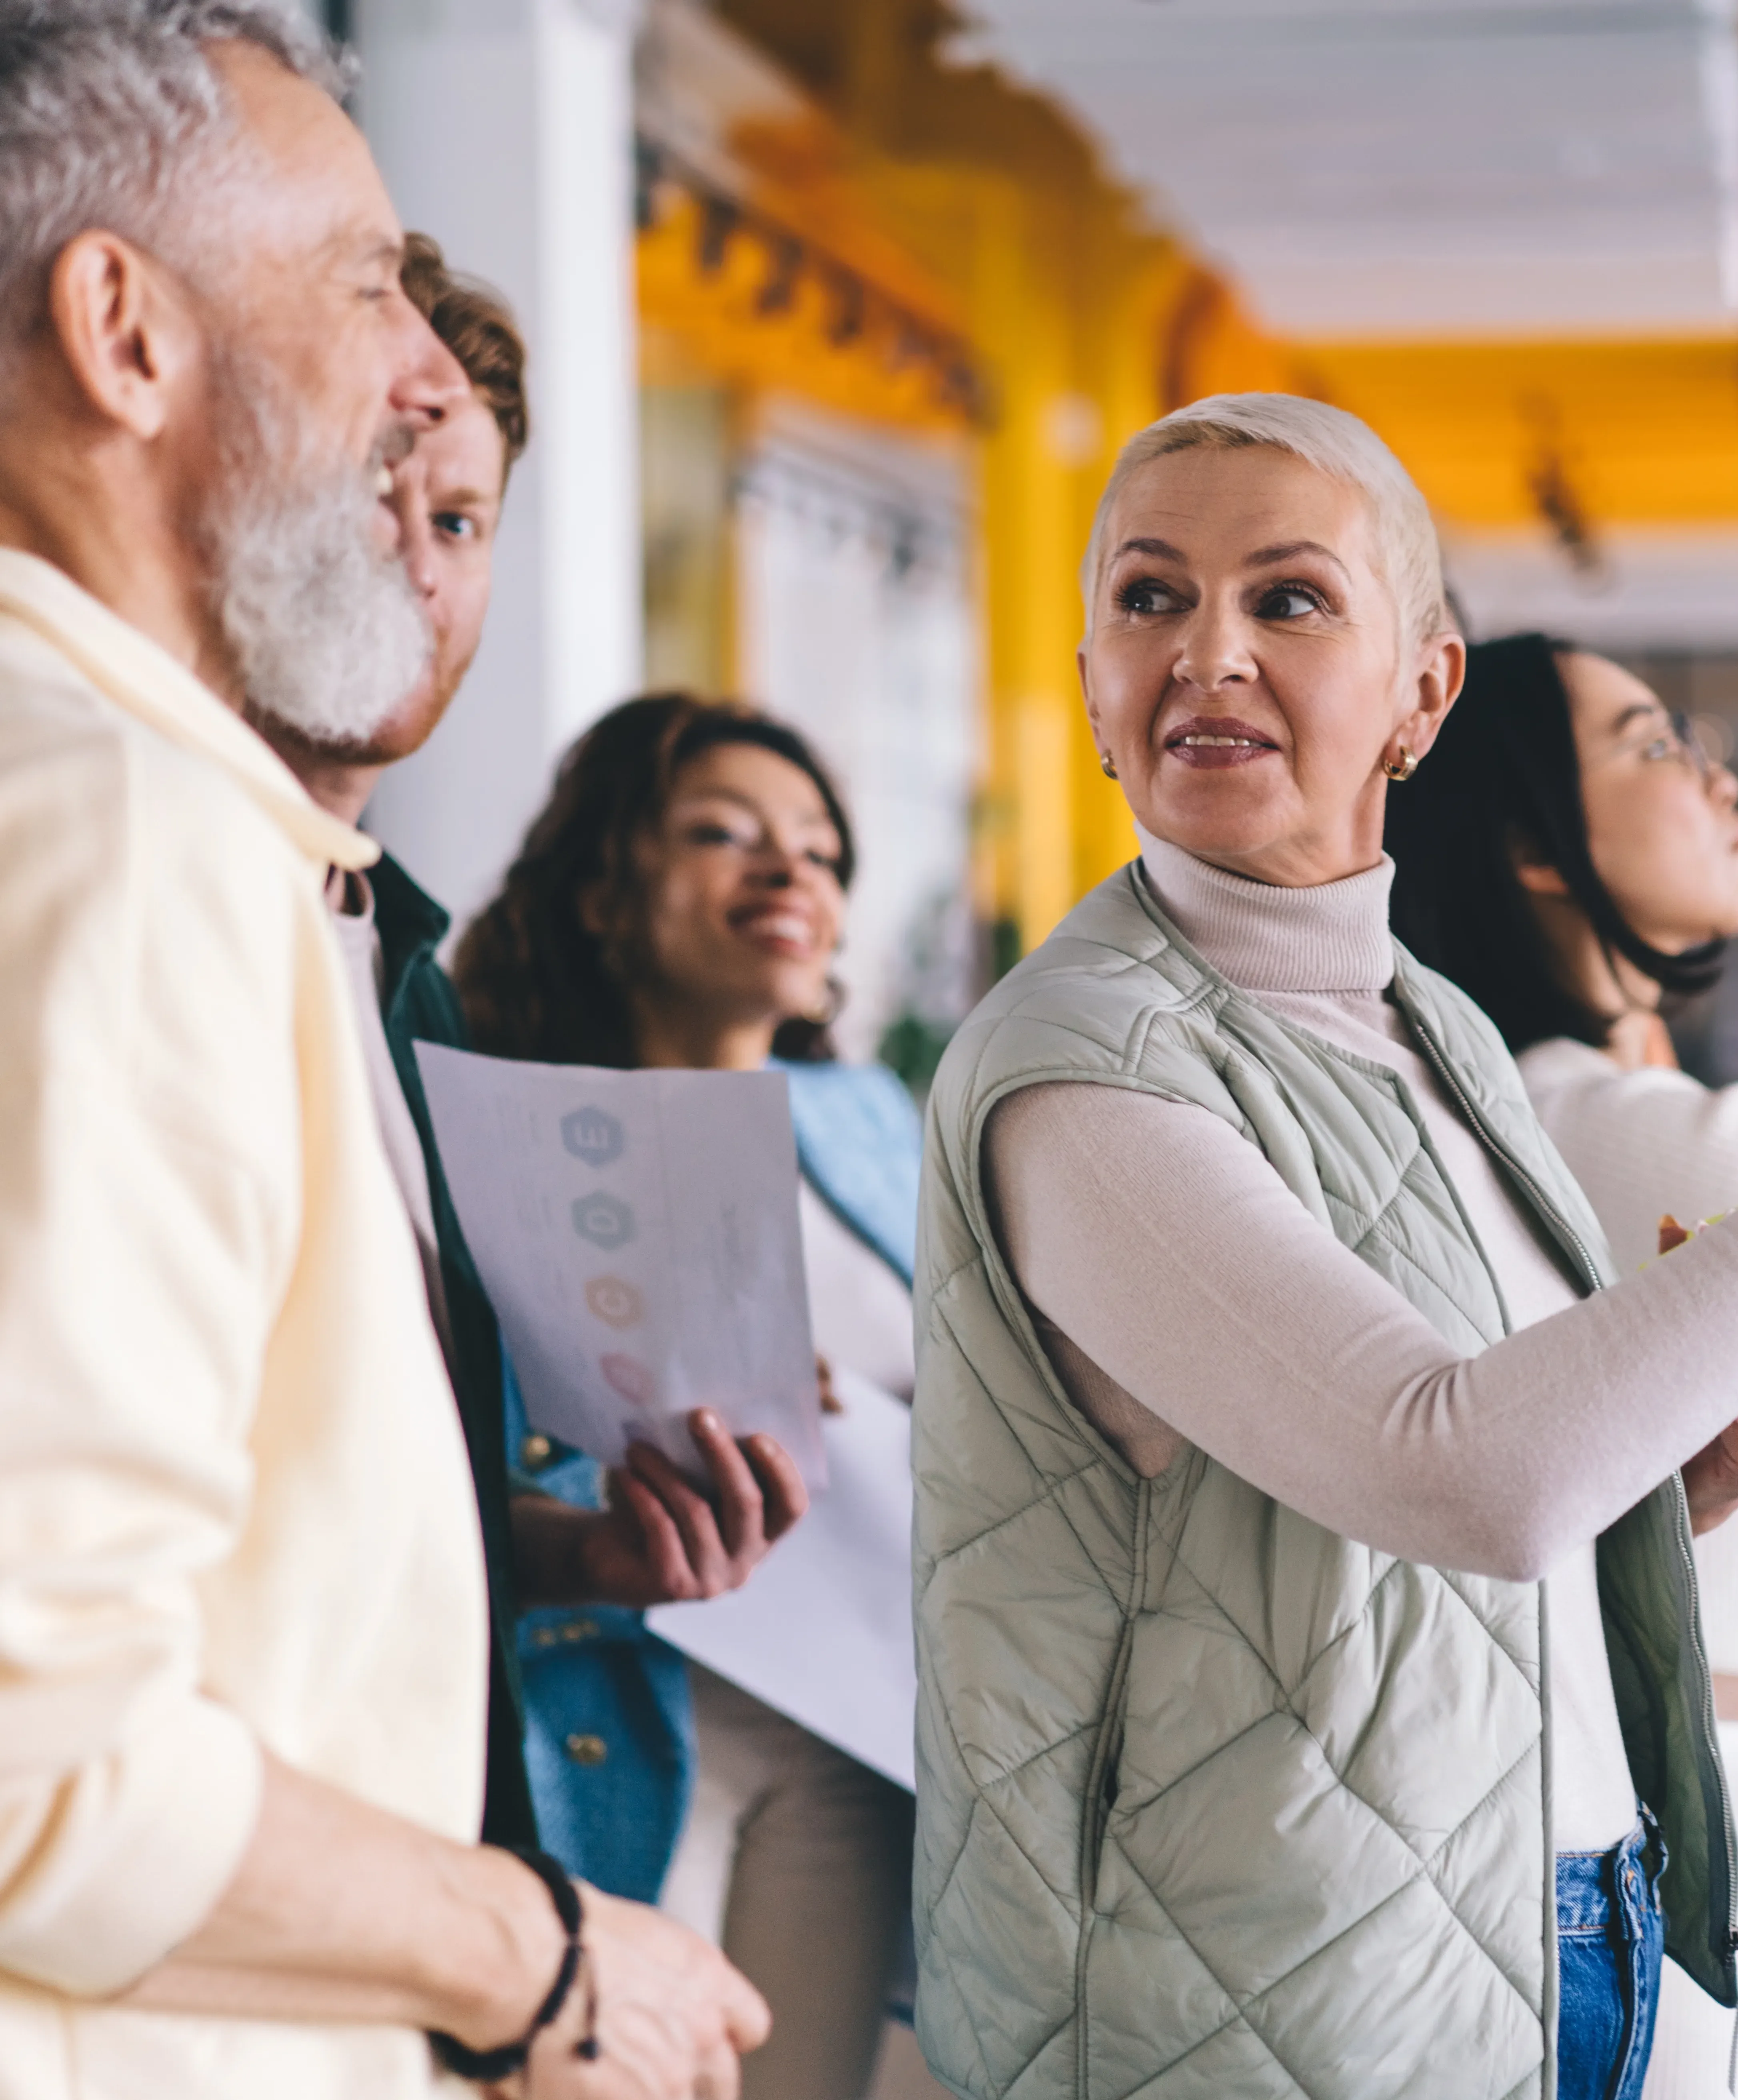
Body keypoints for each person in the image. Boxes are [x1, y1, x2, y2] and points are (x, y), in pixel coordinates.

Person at [0, 8, 765, 2096]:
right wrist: (542, 1962)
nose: (427, 374)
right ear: (124, 336)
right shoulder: (126, 829)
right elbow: (32, 1741)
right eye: (362, 284)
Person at [909, 392, 1738, 2100]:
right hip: (1280, 1994)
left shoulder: (1432, 1029)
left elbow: (1401, 1537)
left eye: (1288, 599)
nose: (1209, 652)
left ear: (1422, 692)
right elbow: (1452, 1467)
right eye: (1148, 597)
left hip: (1558, 1932)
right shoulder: (1079, 1067)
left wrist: (1662, 1488)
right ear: (1092, 681)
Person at [254, 232, 811, 1866]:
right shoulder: (169, 910)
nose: (414, 568)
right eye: (369, 496)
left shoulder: (406, 979)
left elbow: (384, 1491)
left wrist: (590, 1553)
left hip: (440, 1820)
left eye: (458, 520)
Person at [455, 693, 928, 2100]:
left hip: (854, 1730)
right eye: (724, 834)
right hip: (615, 1704)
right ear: (605, 890)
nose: (791, 876)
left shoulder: (881, 1126)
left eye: (822, 853)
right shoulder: (501, 1134)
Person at [1386, 632, 1738, 2098]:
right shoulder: (1585, 1119)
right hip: (1696, 1840)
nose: (1714, 771)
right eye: (1648, 742)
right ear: (1530, 849)